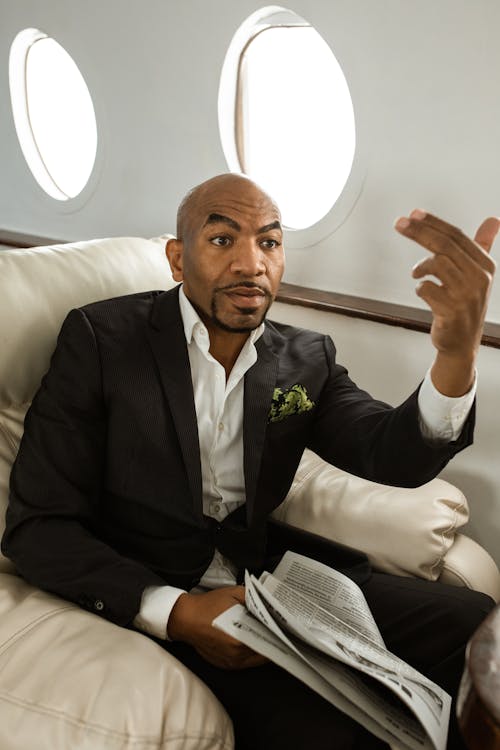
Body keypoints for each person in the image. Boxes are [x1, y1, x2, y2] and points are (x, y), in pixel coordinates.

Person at [2, 173, 497, 750]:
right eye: (221, 240)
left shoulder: (307, 356)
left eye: (268, 241)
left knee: (478, 626)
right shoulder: (101, 341)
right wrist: (179, 613)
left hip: (271, 581)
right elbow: (38, 526)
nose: (251, 263)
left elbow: (390, 454)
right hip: (155, 590)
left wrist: (456, 356)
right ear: (177, 259)